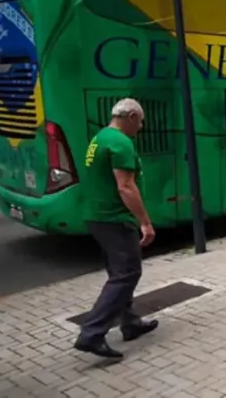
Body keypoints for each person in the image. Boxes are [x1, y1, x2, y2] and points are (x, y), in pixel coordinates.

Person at [74, 98, 158, 359]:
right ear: (131, 116)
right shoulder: (121, 142)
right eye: (140, 121)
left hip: (96, 216)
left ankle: (130, 323)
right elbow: (125, 186)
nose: (141, 127)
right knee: (127, 273)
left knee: (118, 271)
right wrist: (145, 221)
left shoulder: (100, 137)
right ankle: (91, 333)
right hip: (114, 218)